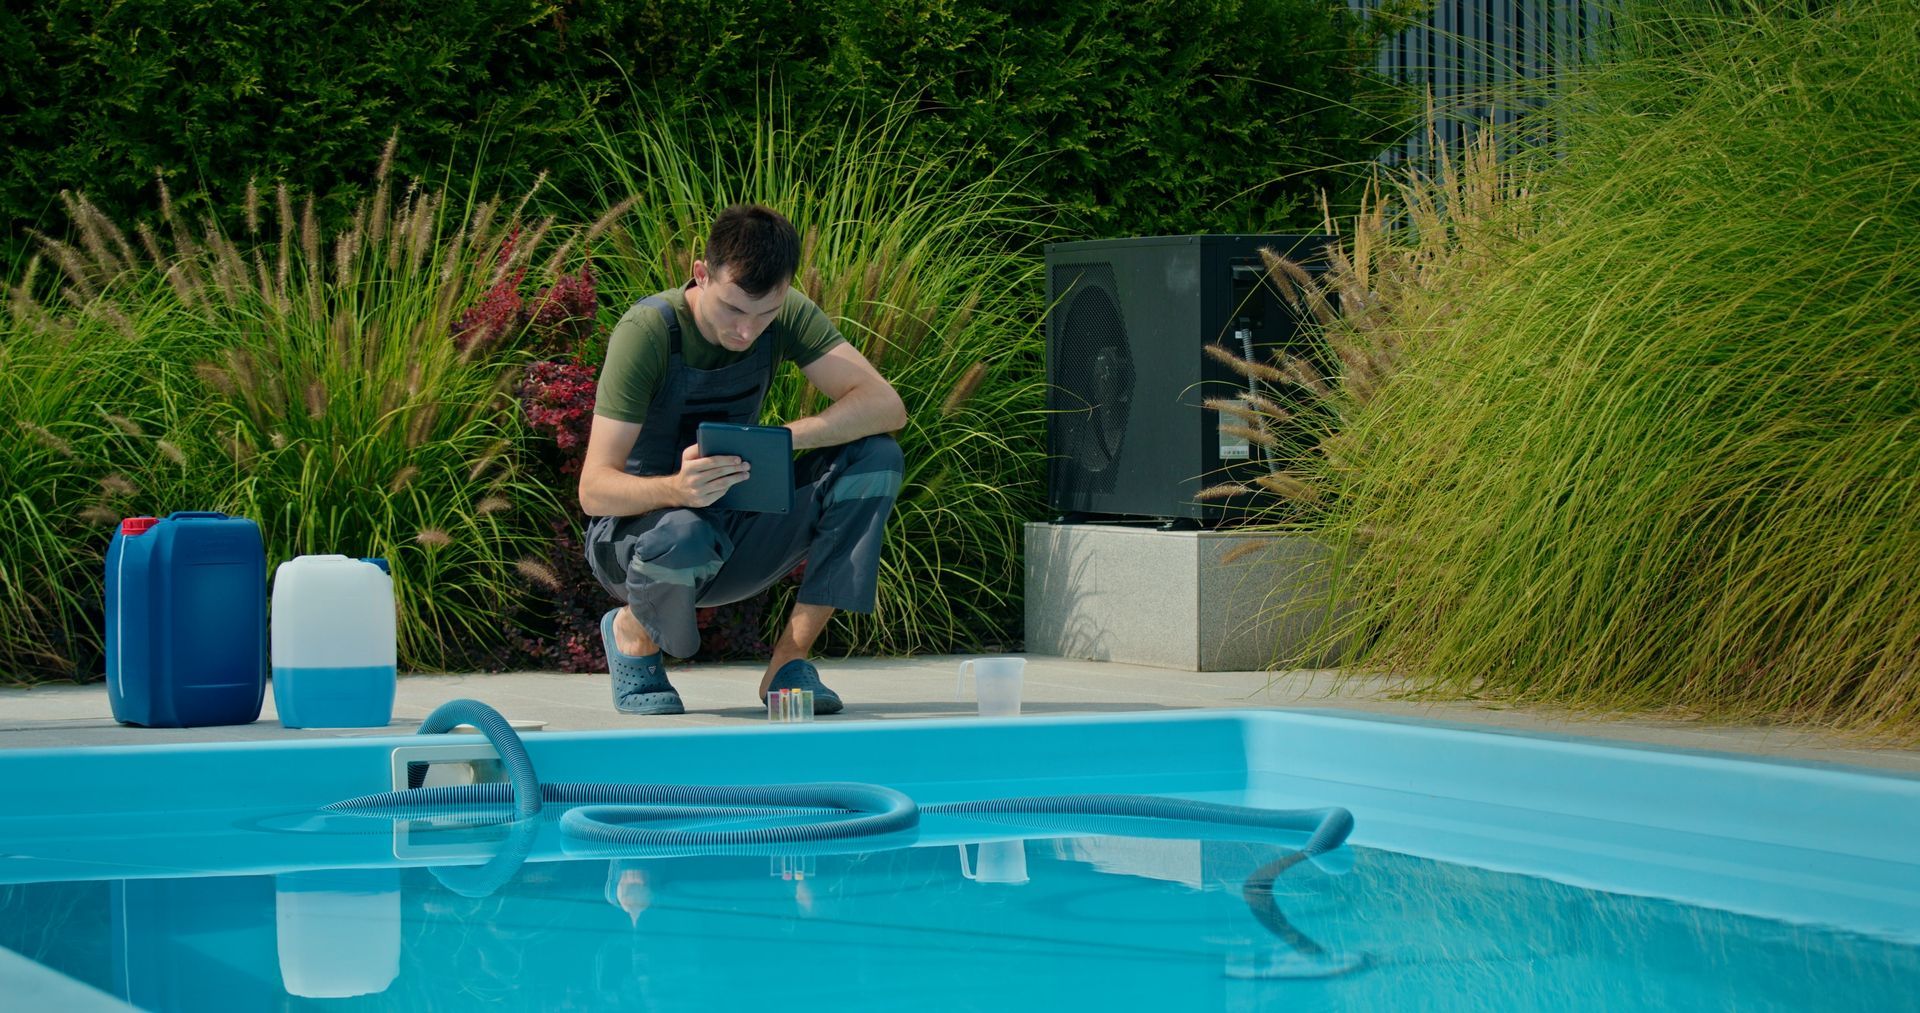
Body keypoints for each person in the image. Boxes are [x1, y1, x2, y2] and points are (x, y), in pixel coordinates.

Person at [578, 204, 907, 715]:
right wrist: (677, 490)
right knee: (683, 530)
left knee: (876, 459)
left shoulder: (787, 310)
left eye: (766, 314)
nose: (747, 331)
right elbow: (593, 490)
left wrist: (780, 439)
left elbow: (886, 407)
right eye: (733, 309)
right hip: (637, 542)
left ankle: (789, 662)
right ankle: (632, 633)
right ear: (701, 274)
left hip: (735, 530)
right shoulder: (646, 332)